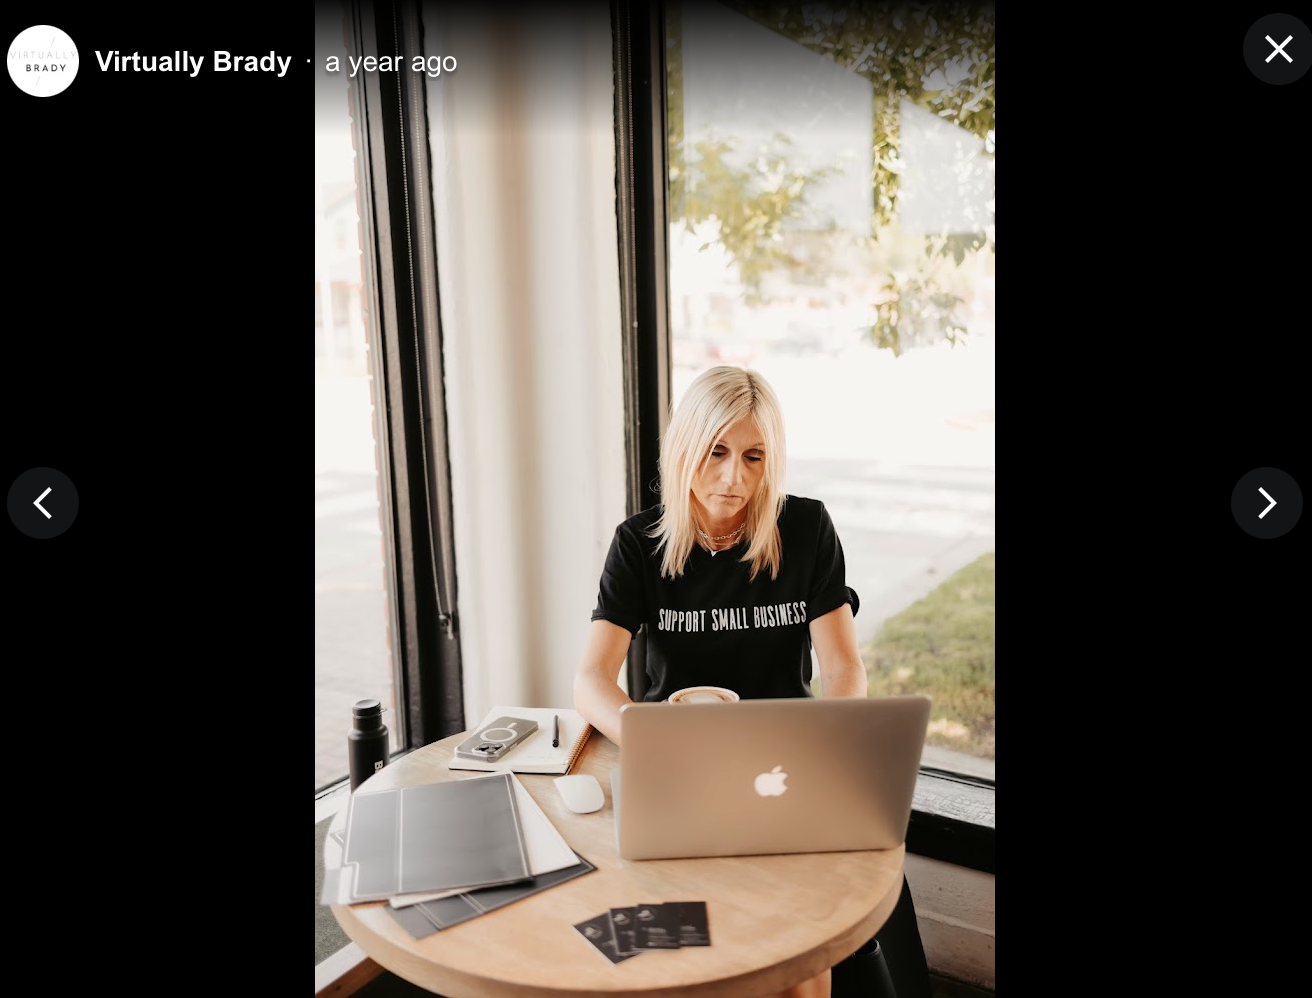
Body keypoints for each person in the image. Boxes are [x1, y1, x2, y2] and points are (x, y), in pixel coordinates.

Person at [574, 366, 930, 998]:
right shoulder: (640, 544)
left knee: (806, 950)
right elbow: (591, 678)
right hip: (678, 772)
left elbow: (843, 666)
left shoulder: (806, 530)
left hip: (789, 769)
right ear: (687, 446)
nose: (734, 478)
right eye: (716, 452)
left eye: (753, 456)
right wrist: (647, 737)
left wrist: (830, 734)